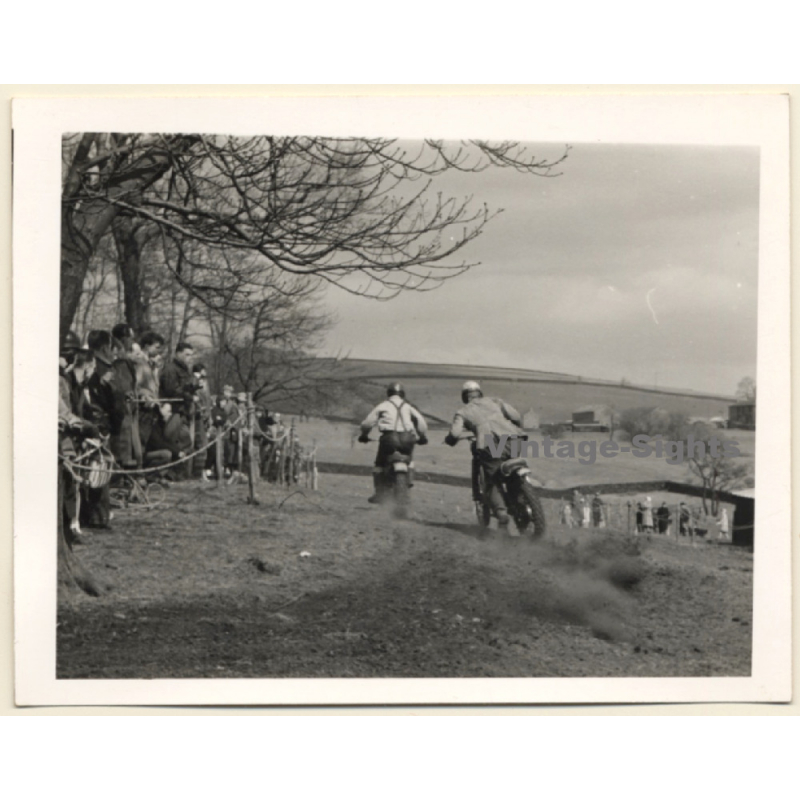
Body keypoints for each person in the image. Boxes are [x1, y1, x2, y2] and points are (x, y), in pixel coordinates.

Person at [443, 380, 521, 529]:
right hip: (515, 441)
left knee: (491, 478)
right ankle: (521, 500)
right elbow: (516, 416)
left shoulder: (463, 412)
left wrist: (450, 440)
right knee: (512, 471)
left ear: (465, 397)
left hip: (491, 445)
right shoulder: (496, 401)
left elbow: (454, 433)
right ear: (480, 393)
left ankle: (501, 512)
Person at [360, 382, 428, 504]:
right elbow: (421, 423)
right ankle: (409, 481)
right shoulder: (408, 406)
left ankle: (379, 493)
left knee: (379, 464)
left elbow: (367, 423)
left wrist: (364, 435)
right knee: (409, 460)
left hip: (389, 438)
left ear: (389, 393)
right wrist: (422, 436)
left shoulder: (383, 405)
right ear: (402, 394)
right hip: (408, 438)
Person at [159, 342, 197, 479]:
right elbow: (170, 390)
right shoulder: (171, 369)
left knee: (185, 442)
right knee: (171, 441)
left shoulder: (185, 370)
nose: (190, 358)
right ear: (178, 353)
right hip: (172, 410)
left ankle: (176, 473)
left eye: (191, 355)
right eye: (187, 354)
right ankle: (167, 473)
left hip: (182, 411)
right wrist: (187, 390)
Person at [147, 402, 192, 480]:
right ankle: (151, 475)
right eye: (168, 411)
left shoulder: (161, 424)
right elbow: (159, 443)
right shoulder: (153, 424)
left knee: (170, 452)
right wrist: (177, 452)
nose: (170, 414)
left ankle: (161, 476)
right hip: (148, 453)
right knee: (167, 454)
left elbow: (166, 442)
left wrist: (178, 451)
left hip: (155, 451)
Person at [191, 362, 211, 479]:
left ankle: (200, 472)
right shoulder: (196, 380)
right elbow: (198, 398)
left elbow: (207, 400)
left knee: (203, 443)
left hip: (204, 415)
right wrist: (202, 410)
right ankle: (198, 472)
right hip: (198, 415)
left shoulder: (203, 381)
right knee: (200, 443)